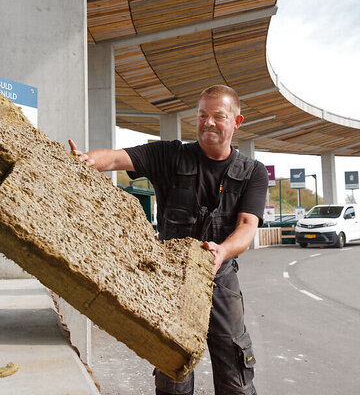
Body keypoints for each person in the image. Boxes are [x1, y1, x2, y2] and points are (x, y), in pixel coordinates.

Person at [68, 85, 268, 395]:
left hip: (220, 276)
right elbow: (115, 159)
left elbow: (247, 225)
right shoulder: (169, 155)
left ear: (236, 122)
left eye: (218, 116)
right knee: (172, 374)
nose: (208, 122)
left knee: (235, 376)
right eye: (202, 115)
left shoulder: (252, 172)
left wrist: (222, 251)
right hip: (170, 280)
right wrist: (85, 159)